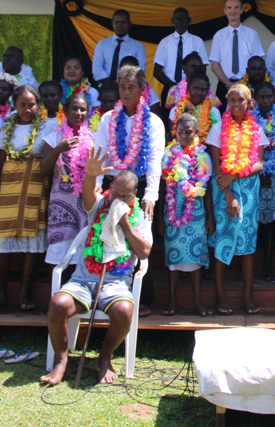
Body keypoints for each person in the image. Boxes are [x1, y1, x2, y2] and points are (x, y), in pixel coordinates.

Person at [41, 148, 152, 386]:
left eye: (124, 196)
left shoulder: (140, 219)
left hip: (115, 284)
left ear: (134, 196)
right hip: (83, 279)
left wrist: (123, 221)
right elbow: (87, 198)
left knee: (124, 312)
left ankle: (104, 356)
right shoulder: (100, 205)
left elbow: (144, 252)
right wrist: (90, 176)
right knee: (57, 304)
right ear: (110, 189)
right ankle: (62, 361)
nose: (117, 199)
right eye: (115, 193)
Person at [94, 65, 165, 317]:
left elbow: (155, 161)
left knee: (139, 239)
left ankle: (142, 297)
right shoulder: (106, 119)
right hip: (113, 185)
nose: (125, 92)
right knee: (107, 236)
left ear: (142, 90)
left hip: (142, 185)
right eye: (122, 87)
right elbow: (100, 156)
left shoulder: (154, 122)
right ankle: (106, 293)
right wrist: (97, 188)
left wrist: (150, 197)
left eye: (131, 87)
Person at [206, 84, 268, 316]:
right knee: (222, 240)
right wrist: (229, 193)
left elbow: (259, 164)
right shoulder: (218, 128)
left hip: (249, 193)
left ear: (249, 103)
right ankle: (220, 294)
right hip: (224, 191)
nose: (236, 103)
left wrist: (237, 174)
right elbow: (216, 168)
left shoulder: (256, 129)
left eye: (240, 99)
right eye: (231, 99)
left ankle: (247, 296)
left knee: (247, 245)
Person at [0, 85, 48, 311]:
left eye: (31, 104)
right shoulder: (6, 130)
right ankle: (1, 292)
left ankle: (25, 293)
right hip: (9, 192)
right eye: (22, 105)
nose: (27, 109)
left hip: (34, 191)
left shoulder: (45, 129)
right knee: (2, 243)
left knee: (31, 243)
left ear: (37, 105)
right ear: (14, 106)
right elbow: (0, 165)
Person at [160, 113, 214, 317]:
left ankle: (197, 300)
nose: (184, 136)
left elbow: (205, 188)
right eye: (180, 132)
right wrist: (160, 217)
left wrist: (209, 217)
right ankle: (172, 299)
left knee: (195, 256)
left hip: (196, 212)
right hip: (173, 210)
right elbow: (163, 187)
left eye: (188, 132)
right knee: (172, 256)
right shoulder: (168, 154)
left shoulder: (203, 156)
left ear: (197, 133)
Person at [42, 93, 94, 266]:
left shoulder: (93, 138)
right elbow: (43, 170)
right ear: (65, 110)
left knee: (83, 251)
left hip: (85, 201)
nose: (78, 112)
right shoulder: (54, 137)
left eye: (83, 109)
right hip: (60, 202)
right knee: (58, 254)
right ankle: (56, 290)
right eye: (74, 108)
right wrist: (58, 149)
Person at [252, 81, 275, 282]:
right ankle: (249, 267)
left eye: (269, 97)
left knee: (271, 224)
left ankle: (267, 266)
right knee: (252, 219)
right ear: (255, 99)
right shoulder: (250, 118)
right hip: (253, 173)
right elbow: (249, 148)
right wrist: (260, 172)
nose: (265, 101)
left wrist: (270, 170)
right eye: (261, 97)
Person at [210, 0, 264, 105]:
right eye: (229, 7)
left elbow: (258, 62)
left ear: (241, 10)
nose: (232, 10)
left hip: (247, 85)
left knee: (248, 119)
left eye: (236, 7)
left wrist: (243, 82)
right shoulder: (219, 35)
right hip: (224, 85)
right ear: (225, 11)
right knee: (221, 119)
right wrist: (228, 83)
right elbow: (214, 65)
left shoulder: (252, 34)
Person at [153, 7, 209, 106]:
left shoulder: (197, 41)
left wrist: (189, 86)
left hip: (192, 91)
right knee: (168, 119)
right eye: (177, 18)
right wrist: (174, 87)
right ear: (172, 20)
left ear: (189, 20)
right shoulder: (164, 42)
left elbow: (203, 69)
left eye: (183, 18)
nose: (180, 21)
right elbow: (156, 71)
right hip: (169, 88)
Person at [92, 10, 147, 85]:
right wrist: (110, 85)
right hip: (105, 89)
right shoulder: (102, 44)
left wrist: (122, 86)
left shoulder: (138, 47)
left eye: (123, 22)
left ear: (129, 24)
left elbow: (140, 72)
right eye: (117, 22)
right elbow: (97, 69)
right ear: (112, 24)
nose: (120, 25)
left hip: (128, 89)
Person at [167, 72, 222, 143]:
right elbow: (173, 138)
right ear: (188, 87)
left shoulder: (214, 112)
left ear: (208, 91)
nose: (199, 93)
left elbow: (215, 140)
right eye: (196, 88)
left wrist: (202, 153)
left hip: (205, 151)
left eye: (203, 90)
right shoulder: (176, 110)